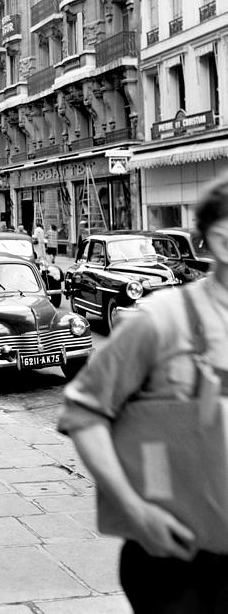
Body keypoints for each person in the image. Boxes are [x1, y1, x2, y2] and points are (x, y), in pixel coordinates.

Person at [58, 174, 228, 613]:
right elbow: (84, 413)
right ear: (222, 241)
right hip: (179, 562)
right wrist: (136, 510)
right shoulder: (162, 320)